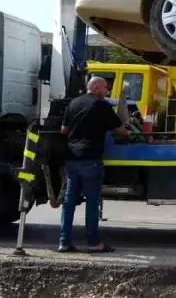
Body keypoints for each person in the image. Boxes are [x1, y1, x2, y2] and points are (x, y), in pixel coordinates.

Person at [58, 75, 130, 253]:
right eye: (105, 88)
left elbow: (64, 130)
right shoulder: (101, 105)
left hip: (72, 158)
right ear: (97, 88)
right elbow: (120, 131)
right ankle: (93, 243)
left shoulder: (73, 103)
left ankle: (64, 242)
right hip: (90, 158)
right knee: (91, 202)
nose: (107, 91)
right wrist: (127, 131)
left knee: (69, 202)